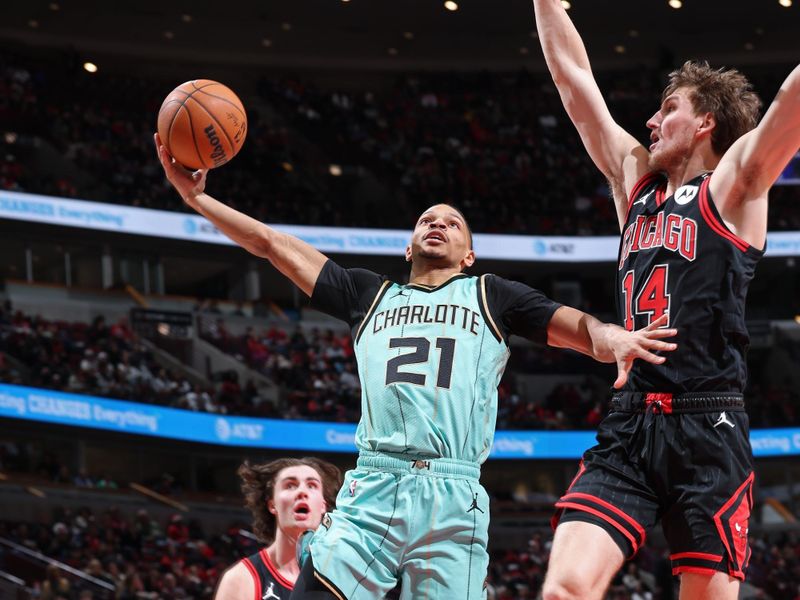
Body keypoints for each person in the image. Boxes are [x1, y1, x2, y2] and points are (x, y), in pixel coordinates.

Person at [155, 133, 675, 599]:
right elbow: (271, 245)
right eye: (427, 219)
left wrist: (614, 338)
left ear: (469, 254)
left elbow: (580, 328)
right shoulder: (367, 293)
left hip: (454, 496)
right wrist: (197, 198)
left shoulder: (493, 296)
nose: (438, 225)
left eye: (452, 223)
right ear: (408, 245)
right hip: (376, 483)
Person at [532, 1, 800, 598]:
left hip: (709, 424)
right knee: (563, 591)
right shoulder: (637, 186)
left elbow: (789, 106)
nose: (650, 122)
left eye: (667, 108)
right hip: (631, 422)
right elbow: (575, 82)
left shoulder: (734, 186)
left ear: (705, 121)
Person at [214, 457, 343, 600]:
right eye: (290, 485)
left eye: (312, 485)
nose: (302, 492)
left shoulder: (343, 580)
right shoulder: (241, 579)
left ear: (323, 505)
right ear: (272, 505)